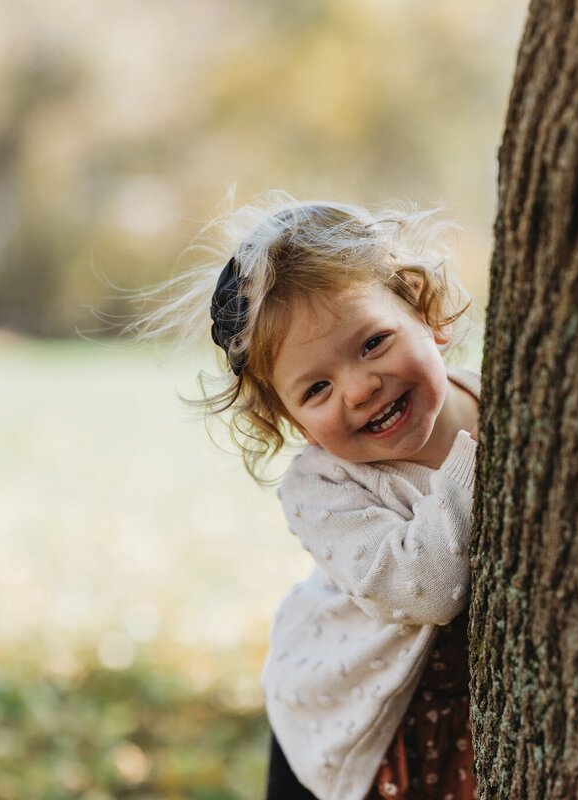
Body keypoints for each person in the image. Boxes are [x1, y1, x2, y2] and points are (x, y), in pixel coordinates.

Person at [139, 196, 481, 800]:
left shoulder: (499, 393)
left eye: (373, 342)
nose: (359, 387)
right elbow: (427, 585)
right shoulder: (320, 486)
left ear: (425, 310)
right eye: (316, 388)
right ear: (294, 422)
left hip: (462, 723)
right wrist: (481, 457)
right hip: (345, 722)